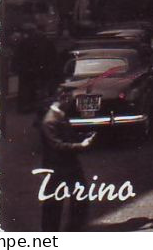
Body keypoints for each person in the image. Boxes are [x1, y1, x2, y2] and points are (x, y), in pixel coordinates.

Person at [37, 87, 95, 231]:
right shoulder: (49, 121)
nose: (71, 102)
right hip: (56, 169)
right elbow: (58, 145)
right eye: (69, 99)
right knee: (54, 203)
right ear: (62, 99)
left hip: (68, 165)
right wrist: (81, 145)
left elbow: (66, 136)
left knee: (79, 196)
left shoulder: (60, 115)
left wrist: (83, 137)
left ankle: (73, 229)